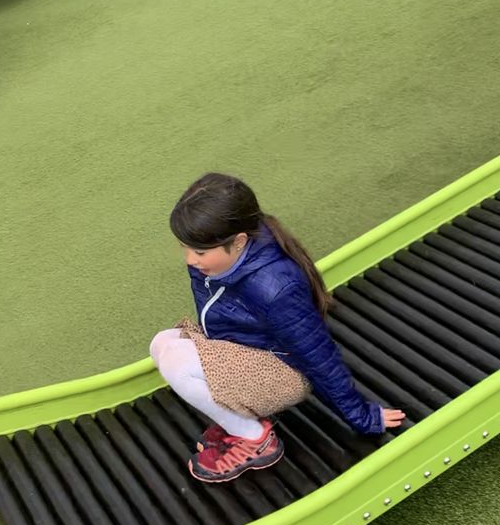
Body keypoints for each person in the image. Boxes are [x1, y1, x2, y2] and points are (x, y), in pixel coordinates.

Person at [150, 174, 405, 483]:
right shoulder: (221, 257)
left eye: (201, 252)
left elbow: (318, 357)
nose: (190, 259)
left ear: (239, 241)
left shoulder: (274, 288)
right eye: (185, 248)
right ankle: (239, 418)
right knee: (162, 344)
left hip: (284, 373)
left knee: (178, 366)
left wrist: (362, 416)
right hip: (248, 350)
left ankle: (256, 439)